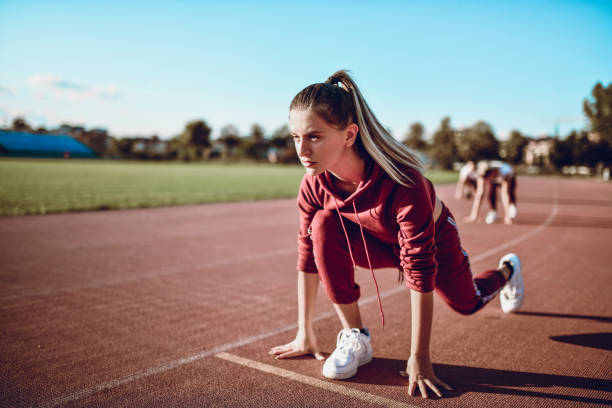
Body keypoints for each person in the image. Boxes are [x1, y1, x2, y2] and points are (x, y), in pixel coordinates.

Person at [268, 70, 524, 399]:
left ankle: (509, 270)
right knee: (322, 224)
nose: (301, 148)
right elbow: (308, 256)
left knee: (467, 302)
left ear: (349, 135)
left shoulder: (403, 183)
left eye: (314, 136)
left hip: (433, 242)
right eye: (295, 136)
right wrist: (305, 332)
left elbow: (419, 267)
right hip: (375, 243)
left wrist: (420, 357)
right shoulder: (314, 185)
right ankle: (356, 336)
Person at [465, 160, 518, 225]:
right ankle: (493, 211)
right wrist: (473, 216)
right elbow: (480, 195)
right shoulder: (481, 174)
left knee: (510, 193)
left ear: (491, 173)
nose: (485, 179)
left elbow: (504, 195)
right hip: (494, 176)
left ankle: (511, 206)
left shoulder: (503, 173)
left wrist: (507, 217)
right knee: (491, 193)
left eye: (486, 177)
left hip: (509, 176)